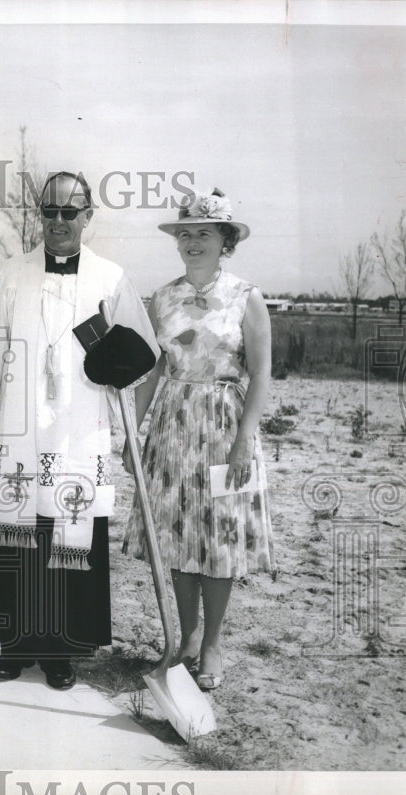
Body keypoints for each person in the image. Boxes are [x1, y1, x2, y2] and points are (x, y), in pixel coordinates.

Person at [0, 172, 159, 690]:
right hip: (19, 427)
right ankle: (13, 646)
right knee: (18, 532)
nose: (57, 222)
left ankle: (60, 652)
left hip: (79, 428)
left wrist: (127, 425)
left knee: (67, 534)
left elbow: (145, 355)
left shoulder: (111, 279)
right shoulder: (9, 275)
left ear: (87, 217)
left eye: (68, 213)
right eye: (48, 212)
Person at [123, 188, 275, 691]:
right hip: (171, 424)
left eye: (203, 233)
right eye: (184, 233)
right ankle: (186, 638)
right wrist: (134, 432)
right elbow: (153, 369)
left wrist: (243, 440)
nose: (192, 242)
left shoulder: (246, 296)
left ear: (224, 240)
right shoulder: (162, 297)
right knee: (176, 535)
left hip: (225, 425)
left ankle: (212, 645)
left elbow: (261, 373)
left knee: (218, 539)